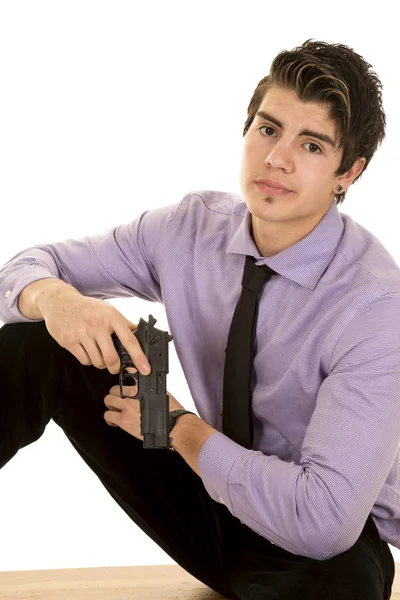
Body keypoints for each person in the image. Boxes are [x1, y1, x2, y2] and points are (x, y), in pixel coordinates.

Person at [0, 38, 397, 600]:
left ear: (348, 172)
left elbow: (325, 519)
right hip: (203, 489)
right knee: (36, 342)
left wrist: (178, 426)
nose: (276, 159)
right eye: (267, 129)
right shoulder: (191, 229)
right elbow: (24, 270)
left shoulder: (375, 304)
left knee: (345, 583)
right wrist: (60, 302)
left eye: (311, 145)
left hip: (318, 542)